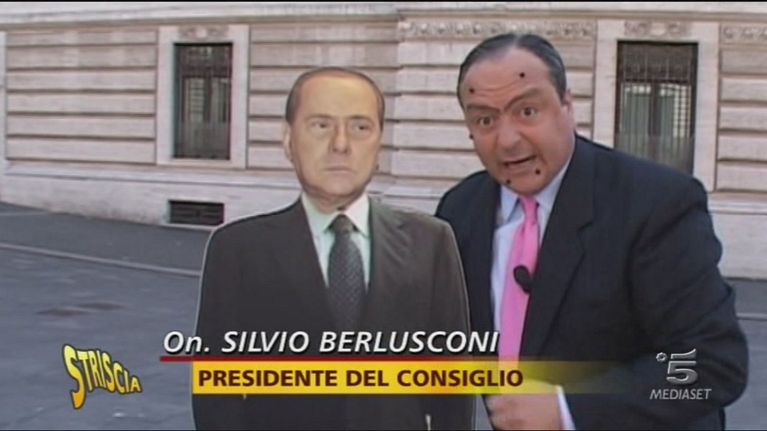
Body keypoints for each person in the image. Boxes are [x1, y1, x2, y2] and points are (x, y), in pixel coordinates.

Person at [435, 33, 748, 430]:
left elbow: (712, 363)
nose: (508, 140)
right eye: (485, 120)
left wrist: (569, 409)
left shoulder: (656, 203)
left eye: (527, 111)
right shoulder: (460, 210)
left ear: (567, 106)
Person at [193, 67, 473, 430]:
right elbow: (217, 396)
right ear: (288, 141)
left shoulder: (431, 242)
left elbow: (453, 387)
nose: (341, 144)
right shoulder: (237, 250)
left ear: (378, 145)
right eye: (321, 125)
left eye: (360, 127)